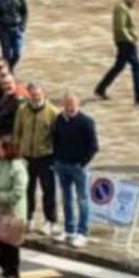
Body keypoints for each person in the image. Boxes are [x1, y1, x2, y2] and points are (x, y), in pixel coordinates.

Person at [51, 92, 98, 247]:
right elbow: (55, 140)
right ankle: (69, 230)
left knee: (82, 200)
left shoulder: (86, 122)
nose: (69, 107)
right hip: (62, 165)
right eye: (67, 104)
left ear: (78, 104)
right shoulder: (59, 119)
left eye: (72, 104)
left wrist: (83, 163)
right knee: (66, 199)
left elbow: (93, 147)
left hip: (78, 167)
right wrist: (56, 159)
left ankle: (82, 232)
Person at [13, 86, 59, 238]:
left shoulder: (52, 112)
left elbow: (57, 136)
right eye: (33, 95)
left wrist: (55, 156)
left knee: (48, 190)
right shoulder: (22, 110)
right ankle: (29, 217)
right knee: (27, 189)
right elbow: (17, 131)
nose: (35, 98)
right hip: (27, 156)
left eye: (38, 95)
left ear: (43, 94)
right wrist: (17, 150)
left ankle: (50, 220)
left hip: (45, 156)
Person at [0, 137, 28, 278]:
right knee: (1, 241)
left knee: (11, 243)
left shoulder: (17, 167)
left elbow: (18, 192)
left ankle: (12, 271)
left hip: (12, 211)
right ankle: (3, 268)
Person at [94, 0, 139, 105]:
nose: (136, 1)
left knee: (119, 66)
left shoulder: (125, 6)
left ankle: (100, 88)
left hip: (124, 41)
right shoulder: (121, 8)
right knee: (137, 67)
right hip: (125, 42)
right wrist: (130, 39)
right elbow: (120, 27)